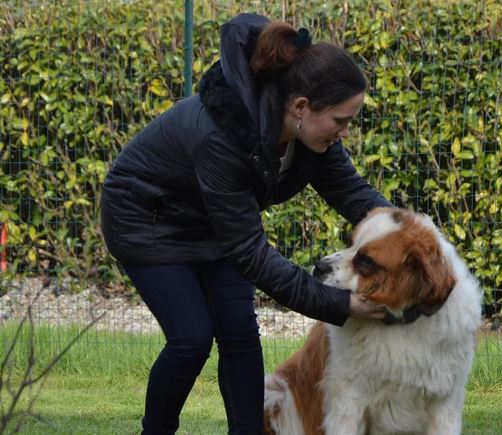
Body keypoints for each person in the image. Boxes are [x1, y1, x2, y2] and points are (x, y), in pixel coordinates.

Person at [100, 13, 392, 435]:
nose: (344, 132)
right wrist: (339, 304)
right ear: (301, 107)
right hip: (146, 218)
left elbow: (352, 193)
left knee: (239, 333)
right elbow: (251, 253)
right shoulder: (222, 134)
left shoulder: (312, 135)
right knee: (192, 338)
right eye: (341, 121)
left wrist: (410, 234)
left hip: (214, 221)